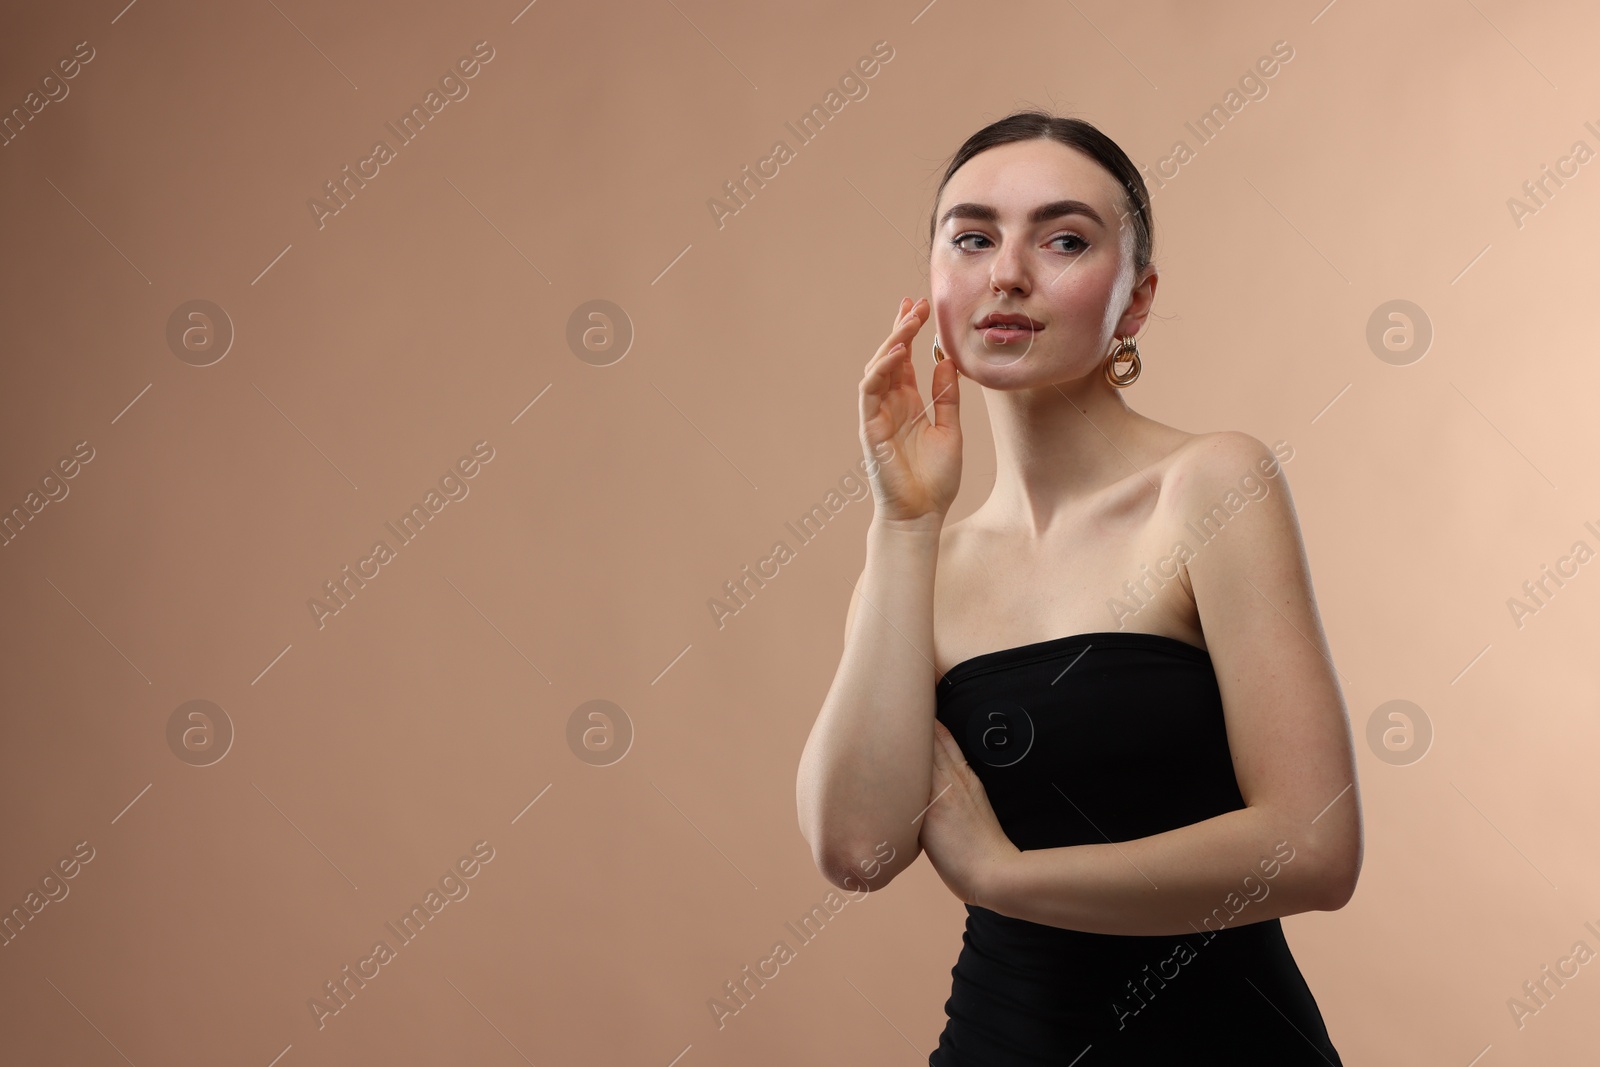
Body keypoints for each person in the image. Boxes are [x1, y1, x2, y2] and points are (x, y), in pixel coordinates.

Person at [795, 111, 1362, 1064]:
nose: (1008, 272)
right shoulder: (918, 565)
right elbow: (857, 850)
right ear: (936, 282)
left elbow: (1313, 846)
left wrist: (1005, 876)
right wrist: (903, 523)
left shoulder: (1212, 486)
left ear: (1135, 303)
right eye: (972, 237)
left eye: (1063, 239)